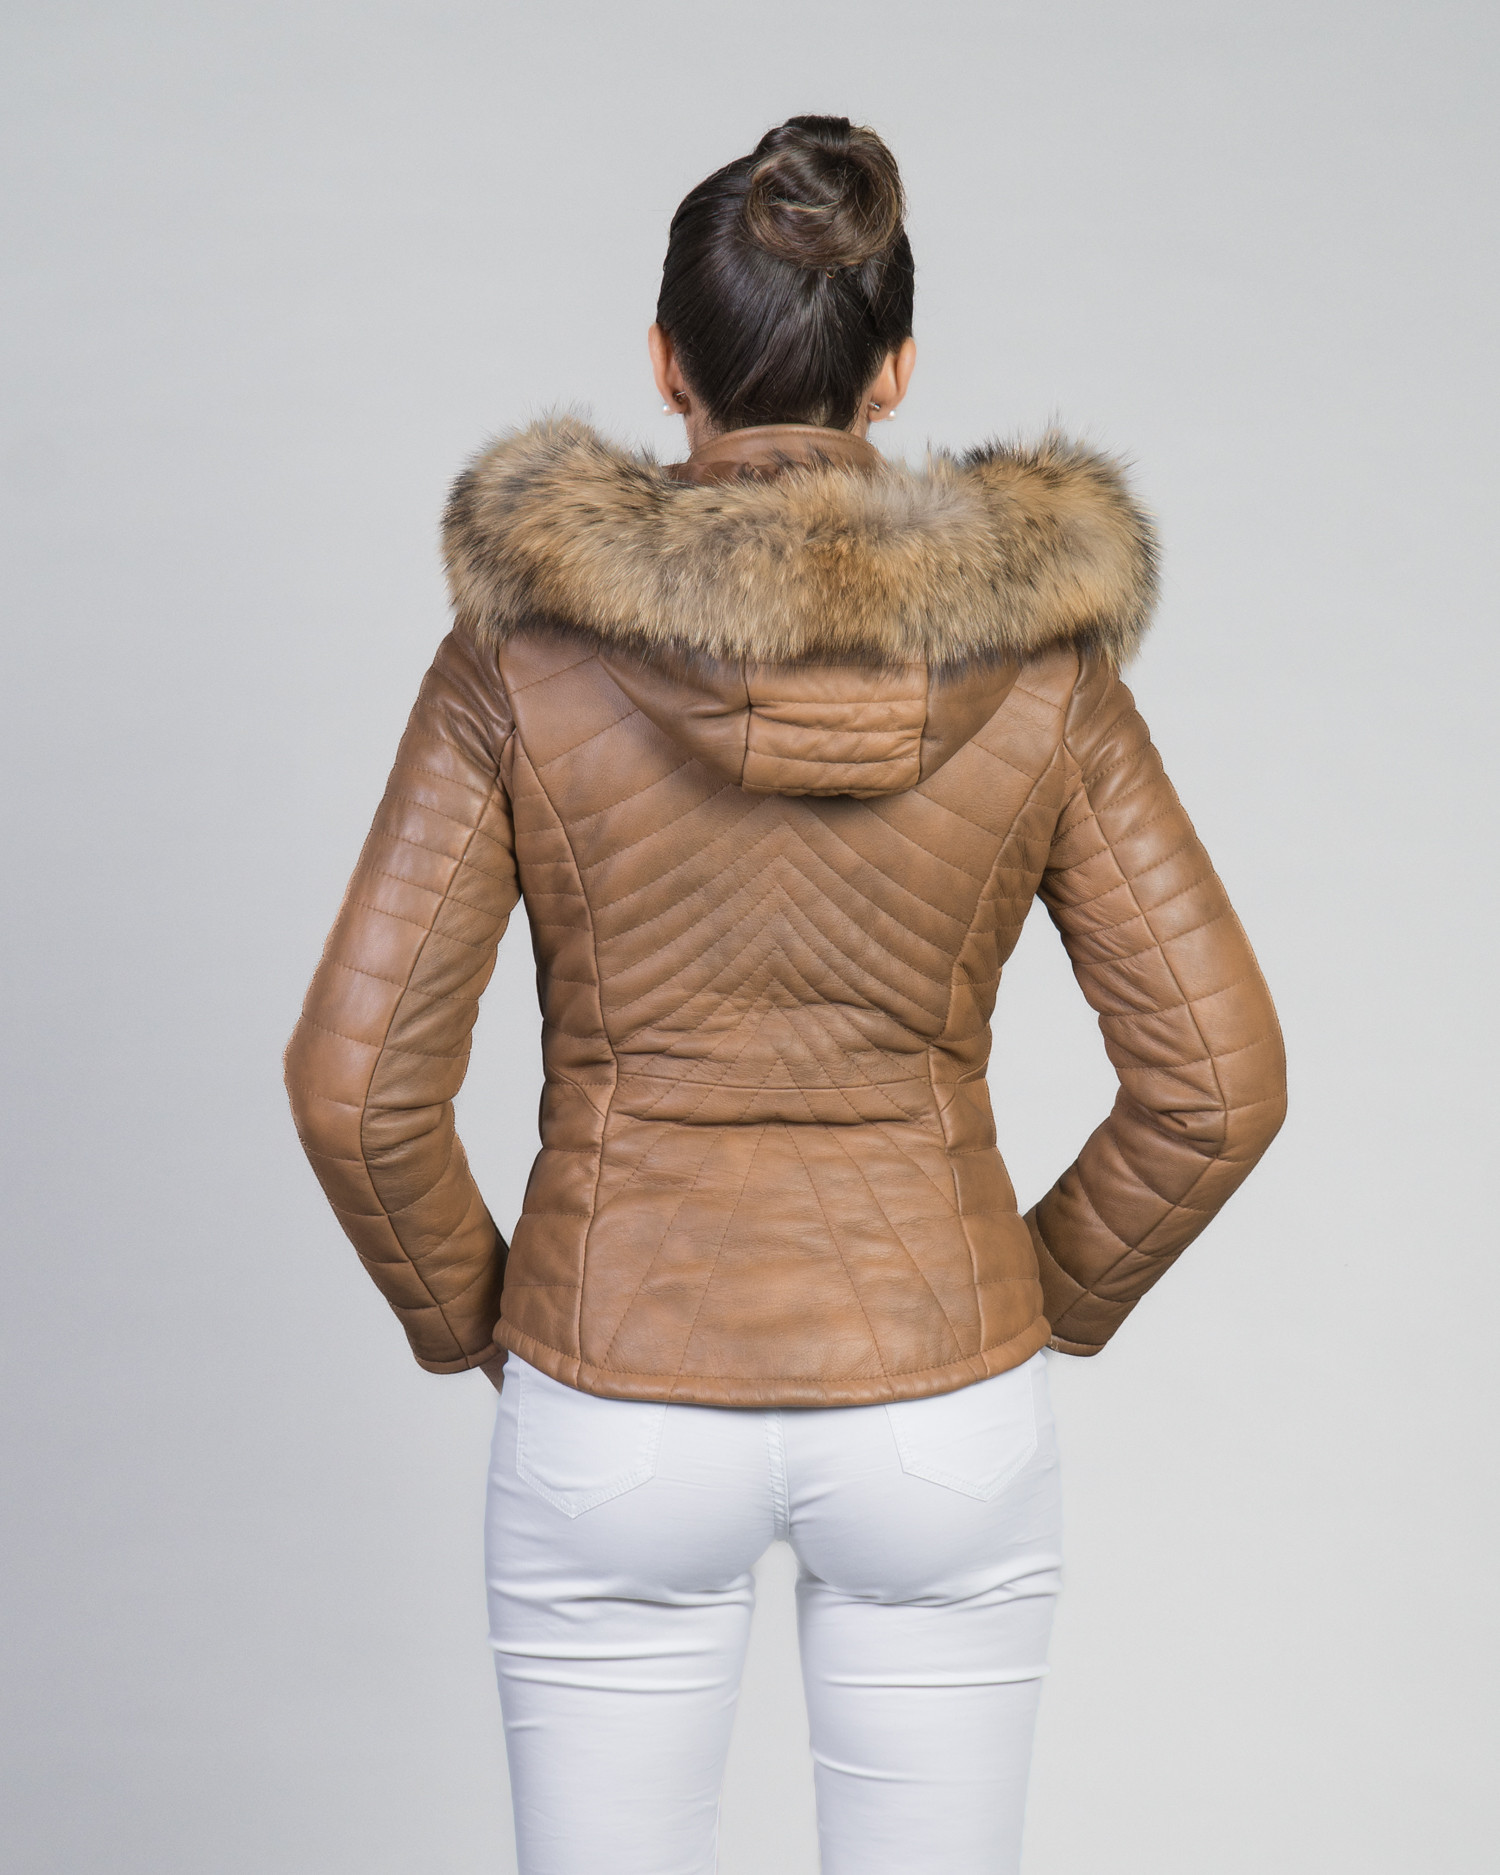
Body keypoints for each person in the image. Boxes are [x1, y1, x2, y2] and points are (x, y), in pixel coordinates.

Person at [284, 113, 1286, 1875]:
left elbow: (355, 1087)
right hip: (938, 1410)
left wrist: (487, 1325)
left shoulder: (519, 655)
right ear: (894, 375)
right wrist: (1018, 1296)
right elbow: (1218, 1083)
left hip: (614, 1390)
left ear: (667, 365)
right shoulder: (1045, 669)